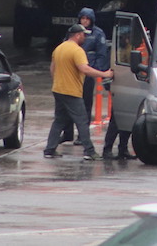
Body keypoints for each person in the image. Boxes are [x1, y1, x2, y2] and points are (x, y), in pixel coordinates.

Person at [43, 23, 113, 160]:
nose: (85, 38)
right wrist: (104, 74)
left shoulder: (59, 48)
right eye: (84, 35)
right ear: (77, 35)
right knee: (82, 120)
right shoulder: (77, 51)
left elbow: (52, 68)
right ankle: (89, 151)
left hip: (58, 89)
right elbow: (85, 69)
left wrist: (58, 81)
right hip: (71, 92)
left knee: (59, 120)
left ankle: (49, 149)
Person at [61, 7, 109, 144]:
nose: (85, 21)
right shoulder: (73, 31)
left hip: (87, 74)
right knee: (68, 103)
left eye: (87, 19)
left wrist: (96, 70)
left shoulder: (98, 34)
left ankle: (82, 136)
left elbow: (102, 54)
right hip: (72, 74)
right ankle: (67, 133)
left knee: (85, 105)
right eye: (83, 18)